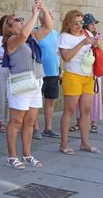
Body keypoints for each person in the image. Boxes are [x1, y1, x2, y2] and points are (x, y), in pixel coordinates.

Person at [3, 0, 52, 169]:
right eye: (18, 20)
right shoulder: (12, 40)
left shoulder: (32, 38)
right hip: (21, 84)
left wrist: (42, 8)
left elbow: (48, 27)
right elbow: (23, 35)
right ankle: (11, 157)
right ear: (10, 28)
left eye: (23, 19)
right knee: (16, 121)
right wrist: (34, 15)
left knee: (30, 121)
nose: (22, 21)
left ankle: (27, 154)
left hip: (36, 82)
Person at [58, 10, 100, 156]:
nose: (79, 25)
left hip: (88, 75)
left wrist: (95, 43)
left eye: (81, 22)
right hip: (73, 76)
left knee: (86, 110)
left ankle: (85, 143)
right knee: (69, 111)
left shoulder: (87, 34)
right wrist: (82, 43)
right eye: (75, 23)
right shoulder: (64, 37)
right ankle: (64, 144)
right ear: (68, 23)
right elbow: (66, 57)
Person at [70, 13, 103, 134]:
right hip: (82, 69)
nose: (93, 25)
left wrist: (97, 44)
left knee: (95, 97)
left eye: (94, 23)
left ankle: (94, 123)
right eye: (91, 23)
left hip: (93, 69)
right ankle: (80, 122)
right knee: (80, 98)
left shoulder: (95, 36)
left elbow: (100, 52)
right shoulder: (80, 35)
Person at [32, 10, 61, 140]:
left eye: (51, 15)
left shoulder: (55, 34)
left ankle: (48, 128)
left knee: (50, 101)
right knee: (35, 102)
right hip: (39, 72)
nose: (51, 17)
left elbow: (58, 53)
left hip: (54, 72)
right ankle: (35, 128)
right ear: (40, 18)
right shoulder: (35, 32)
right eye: (47, 15)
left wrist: (61, 70)